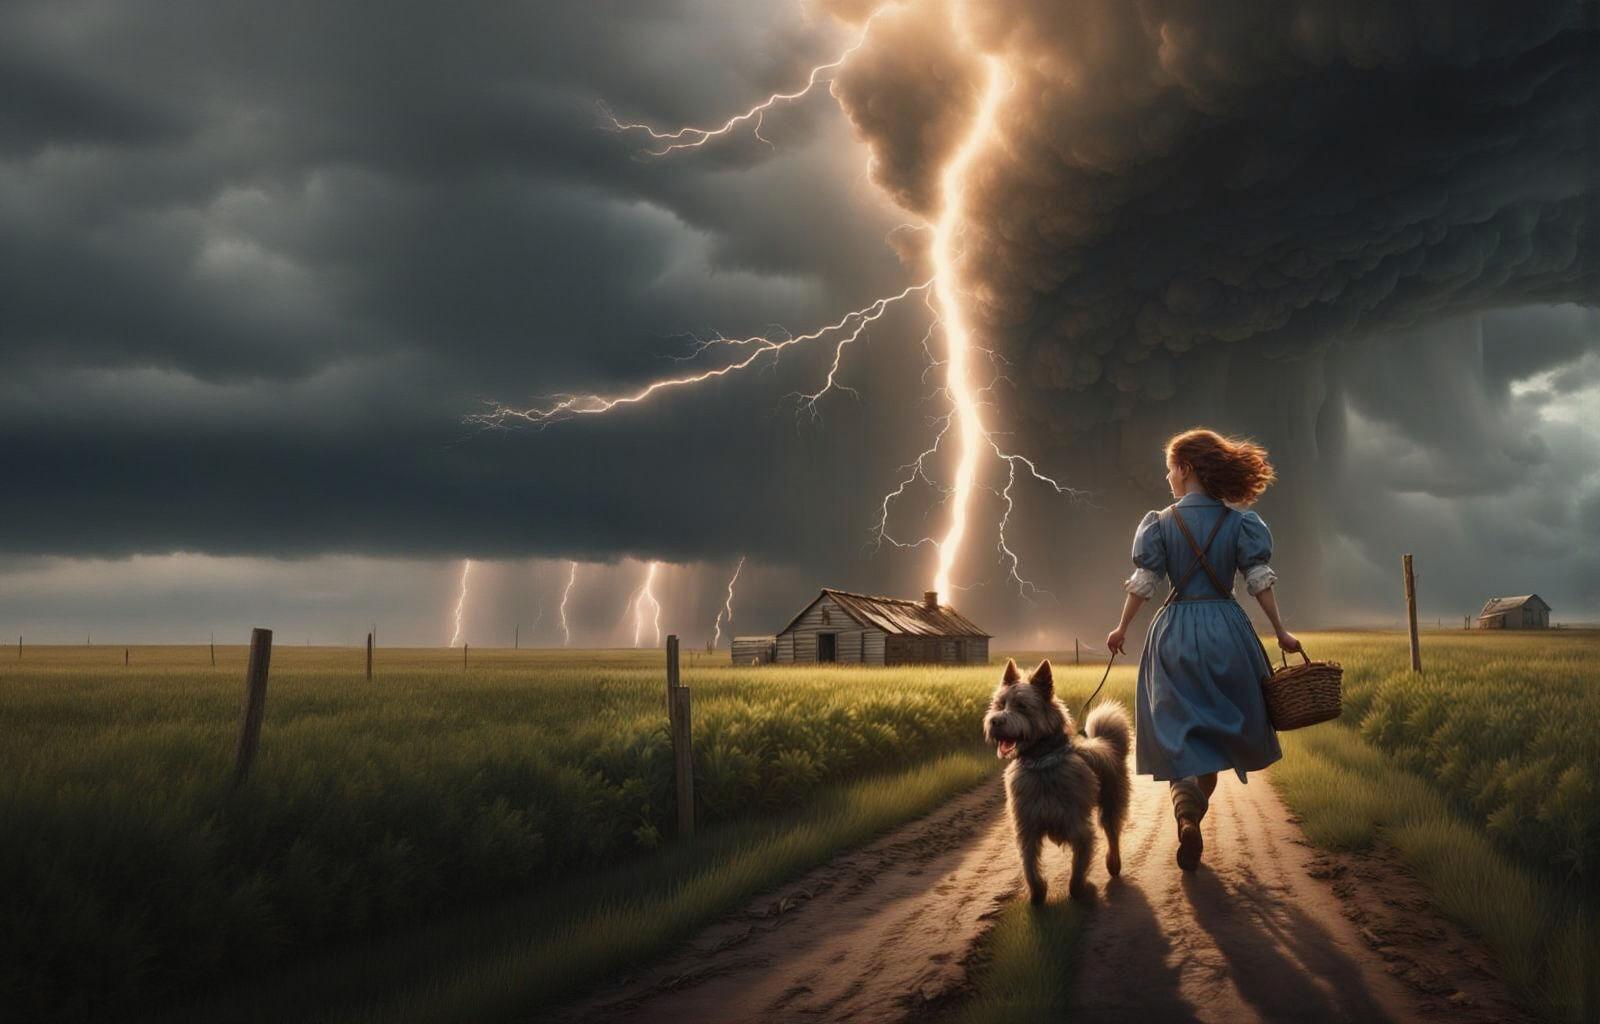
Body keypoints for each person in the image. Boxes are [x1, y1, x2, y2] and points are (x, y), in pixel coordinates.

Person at [1105, 428, 1303, 872]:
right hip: (1227, 633)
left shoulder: (1159, 523)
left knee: (1180, 733)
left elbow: (1145, 583)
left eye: (1170, 469)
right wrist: (1281, 632)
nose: (1168, 478)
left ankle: (1184, 808)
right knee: (1212, 739)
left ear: (1186, 468)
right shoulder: (1241, 523)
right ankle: (1192, 810)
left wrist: (1121, 628)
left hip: (1175, 634)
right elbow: (1258, 581)